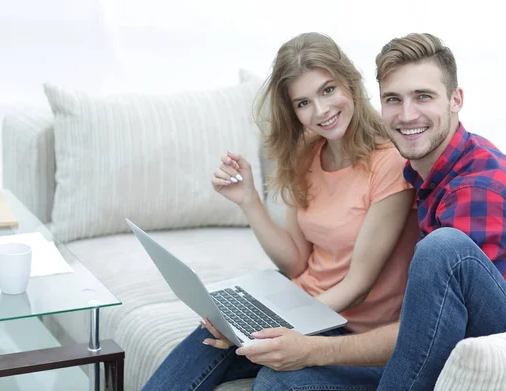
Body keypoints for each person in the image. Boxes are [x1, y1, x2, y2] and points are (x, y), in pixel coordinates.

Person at [241, 33, 506, 391]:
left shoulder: (479, 192)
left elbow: (433, 329)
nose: (407, 114)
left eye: (423, 97)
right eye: (393, 100)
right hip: (456, 340)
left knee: (442, 248)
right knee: (279, 382)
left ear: (455, 100)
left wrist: (312, 350)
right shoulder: (423, 173)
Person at [142, 32, 419, 390]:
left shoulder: (390, 162)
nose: (321, 111)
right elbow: (296, 263)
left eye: (327, 90)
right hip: (302, 300)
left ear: (350, 81)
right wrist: (249, 200)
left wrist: (278, 324)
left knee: (274, 379)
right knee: (205, 340)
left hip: (349, 327)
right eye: (303, 103)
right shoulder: (308, 150)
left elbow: (358, 286)